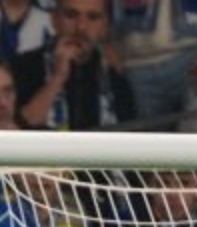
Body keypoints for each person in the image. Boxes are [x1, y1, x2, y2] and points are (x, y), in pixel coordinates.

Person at [12, 0, 137, 130]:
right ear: (54, 20)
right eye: (71, 15)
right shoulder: (24, 67)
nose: (81, 27)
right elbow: (20, 127)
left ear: (104, 26)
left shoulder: (115, 80)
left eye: (93, 17)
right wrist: (58, 78)